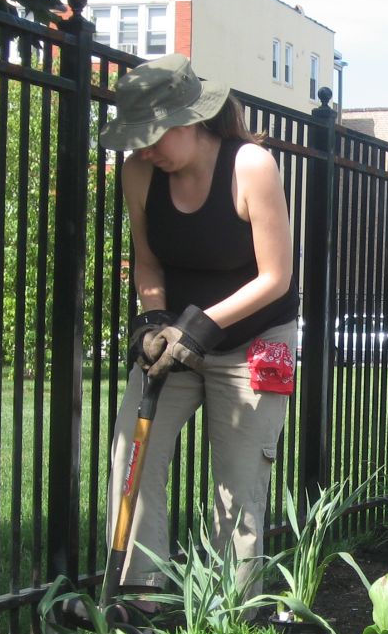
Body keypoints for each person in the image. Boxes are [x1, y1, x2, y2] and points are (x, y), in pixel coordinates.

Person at [99, 54, 298, 598]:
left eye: (154, 135)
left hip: (254, 340)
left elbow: (276, 276)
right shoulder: (140, 173)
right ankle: (142, 597)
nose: (144, 148)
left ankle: (232, 615)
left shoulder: (250, 166)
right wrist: (154, 319)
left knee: (238, 484)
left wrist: (202, 325)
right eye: (137, 138)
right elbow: (148, 261)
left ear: (189, 119)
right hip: (176, 341)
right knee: (131, 457)